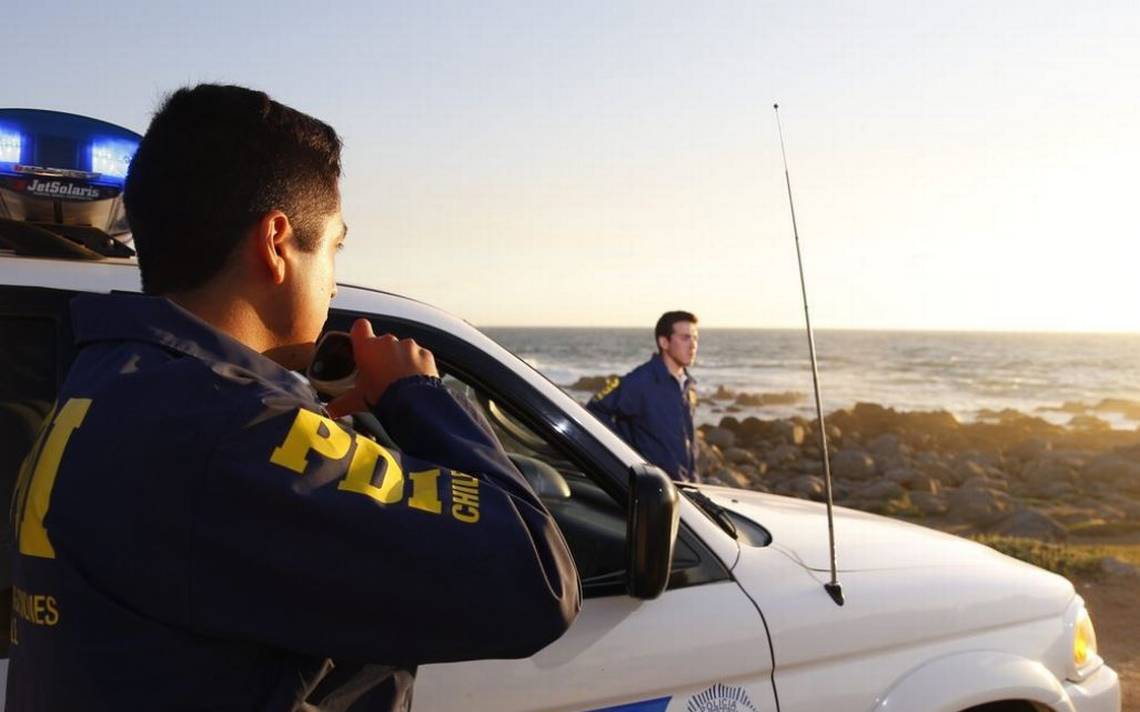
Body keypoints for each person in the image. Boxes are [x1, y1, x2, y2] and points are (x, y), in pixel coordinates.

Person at [6, 84, 579, 711]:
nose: (332, 283)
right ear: (277, 243)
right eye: (334, 247)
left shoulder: (106, 382)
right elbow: (535, 581)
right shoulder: (230, 429)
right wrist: (417, 395)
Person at [587, 311, 700, 483]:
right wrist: (627, 455)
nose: (693, 345)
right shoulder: (640, 381)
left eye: (695, 338)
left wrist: (694, 482)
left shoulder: (687, 385)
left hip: (684, 486)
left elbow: (688, 440)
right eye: (685, 338)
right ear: (664, 342)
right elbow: (595, 410)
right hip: (652, 487)